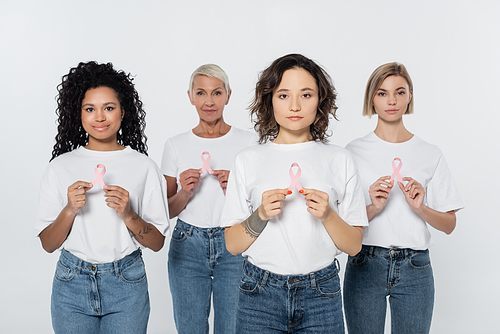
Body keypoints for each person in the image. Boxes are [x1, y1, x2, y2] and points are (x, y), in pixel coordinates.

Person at [220, 53, 368, 333]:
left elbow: (354, 246)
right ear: (270, 100)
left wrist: (327, 214)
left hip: (321, 294)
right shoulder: (247, 159)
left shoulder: (339, 159)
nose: (295, 106)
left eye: (306, 94)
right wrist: (261, 214)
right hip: (258, 295)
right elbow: (233, 245)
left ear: (320, 101)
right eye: (284, 95)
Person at [35, 61, 169, 334]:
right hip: (71, 283)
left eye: (108, 108)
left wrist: (129, 214)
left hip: (126, 284)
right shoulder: (60, 167)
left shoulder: (144, 167)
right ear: (79, 114)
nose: (99, 117)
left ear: (123, 112)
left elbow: (157, 242)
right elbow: (48, 244)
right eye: (90, 109)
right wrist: (69, 209)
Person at [343, 62, 464, 334]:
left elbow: (449, 224)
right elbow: (340, 222)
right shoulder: (351, 152)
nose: (392, 100)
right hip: (365, 262)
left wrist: (421, 209)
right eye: (382, 93)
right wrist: (373, 208)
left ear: (410, 96)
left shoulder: (429, 153)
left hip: (415, 267)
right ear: (371, 98)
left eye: (399, 92)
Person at [160, 64, 256, 334]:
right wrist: (185, 192)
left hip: (233, 242)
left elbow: (260, 211)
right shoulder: (175, 144)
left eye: (216, 93)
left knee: (234, 328)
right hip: (187, 245)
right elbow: (165, 210)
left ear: (228, 95)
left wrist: (234, 190)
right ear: (190, 96)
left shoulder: (249, 142)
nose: (209, 101)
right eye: (201, 93)